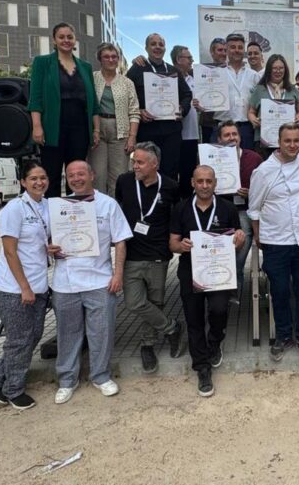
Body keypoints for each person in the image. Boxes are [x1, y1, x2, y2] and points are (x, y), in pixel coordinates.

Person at [50, 161, 132, 404]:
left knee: (101, 333)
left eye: (80, 174)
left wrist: (118, 275)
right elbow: (46, 242)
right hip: (65, 282)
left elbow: (121, 242)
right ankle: (66, 380)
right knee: (67, 333)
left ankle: (101, 376)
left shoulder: (108, 205)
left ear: (92, 176)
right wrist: (50, 249)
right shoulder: (57, 207)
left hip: (99, 279)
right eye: (71, 175)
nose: (76, 178)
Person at [0, 160, 51, 410]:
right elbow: (10, 252)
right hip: (14, 287)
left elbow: (40, 240)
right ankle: (13, 390)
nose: (39, 182)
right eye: (33, 179)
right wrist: (24, 287)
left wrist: (49, 249)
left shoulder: (47, 206)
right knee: (19, 339)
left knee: (34, 335)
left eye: (43, 177)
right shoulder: (13, 209)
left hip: (39, 284)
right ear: (23, 182)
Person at [169, 165, 245, 397]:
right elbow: (172, 243)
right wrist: (180, 246)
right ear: (192, 182)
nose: (204, 185)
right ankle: (202, 368)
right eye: (200, 181)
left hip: (219, 272)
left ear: (215, 183)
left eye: (208, 181)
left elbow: (237, 238)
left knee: (219, 309)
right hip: (190, 270)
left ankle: (215, 340)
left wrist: (239, 240)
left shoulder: (228, 208)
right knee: (193, 319)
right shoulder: (181, 208)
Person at [248, 123, 299, 368]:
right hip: (276, 241)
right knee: (279, 291)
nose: (293, 145)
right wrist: (259, 238)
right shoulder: (264, 171)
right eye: (288, 141)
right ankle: (284, 336)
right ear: (278, 141)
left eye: (297, 140)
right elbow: (254, 209)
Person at [115, 142, 185, 373]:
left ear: (154, 164)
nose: (135, 166)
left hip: (158, 255)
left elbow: (176, 219)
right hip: (132, 254)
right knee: (134, 302)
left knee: (156, 302)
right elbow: (119, 211)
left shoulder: (171, 186)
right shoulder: (124, 182)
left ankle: (147, 345)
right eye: (134, 161)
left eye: (140, 162)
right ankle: (172, 327)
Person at [29, 22, 99, 198]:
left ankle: (76, 218)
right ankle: (52, 218)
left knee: (77, 175)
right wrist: (37, 126)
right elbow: (35, 98)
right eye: (61, 37)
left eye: (70, 37)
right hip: (53, 127)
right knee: (51, 174)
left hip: (80, 128)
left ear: (75, 40)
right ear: (54, 40)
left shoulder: (86, 67)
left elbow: (93, 103)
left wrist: (96, 129)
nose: (66, 40)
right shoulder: (42, 63)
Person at [125, 33, 192, 181]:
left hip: (171, 132)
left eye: (161, 44)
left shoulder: (173, 71)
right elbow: (126, 96)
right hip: (147, 131)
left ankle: (169, 203)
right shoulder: (136, 69)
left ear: (165, 48)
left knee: (170, 171)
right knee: (145, 170)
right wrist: (139, 111)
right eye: (153, 44)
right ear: (146, 48)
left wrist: (182, 108)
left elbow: (187, 94)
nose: (157, 47)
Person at [216, 120, 263, 303]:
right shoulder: (211, 157)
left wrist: (250, 193)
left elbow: (264, 188)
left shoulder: (253, 158)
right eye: (227, 135)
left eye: (234, 134)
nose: (231, 138)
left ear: (240, 137)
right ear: (219, 139)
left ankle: (233, 286)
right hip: (220, 210)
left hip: (244, 209)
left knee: (240, 242)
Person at [89, 43, 140, 197]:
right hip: (97, 129)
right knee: (97, 174)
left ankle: (115, 211)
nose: (111, 60)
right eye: (106, 56)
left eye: (114, 57)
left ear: (118, 59)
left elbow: (134, 111)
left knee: (118, 176)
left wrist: (132, 137)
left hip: (121, 131)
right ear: (100, 59)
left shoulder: (127, 83)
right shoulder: (92, 78)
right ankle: (99, 211)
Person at [209, 33, 259, 149]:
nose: (236, 50)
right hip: (221, 127)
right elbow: (207, 98)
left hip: (246, 129)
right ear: (226, 49)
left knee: (247, 163)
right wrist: (201, 103)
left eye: (240, 47)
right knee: (222, 165)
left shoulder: (254, 76)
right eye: (233, 47)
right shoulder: (216, 73)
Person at [247, 54, 299, 150]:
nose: (278, 71)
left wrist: (298, 117)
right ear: (269, 69)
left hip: (288, 140)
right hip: (263, 140)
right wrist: (254, 120)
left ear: (285, 70)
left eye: (281, 68)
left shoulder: (292, 89)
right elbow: (251, 112)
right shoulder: (260, 89)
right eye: (274, 68)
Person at [170, 45, 197, 198]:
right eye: (189, 58)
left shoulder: (194, 79)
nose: (192, 60)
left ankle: (187, 205)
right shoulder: (167, 78)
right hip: (175, 134)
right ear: (178, 60)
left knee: (188, 174)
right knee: (173, 173)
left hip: (192, 134)